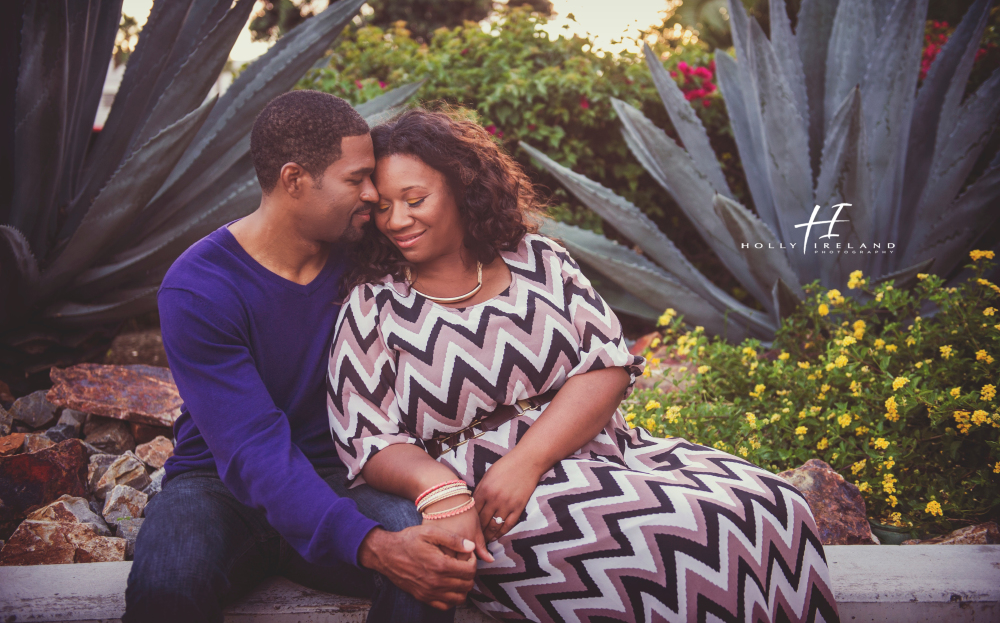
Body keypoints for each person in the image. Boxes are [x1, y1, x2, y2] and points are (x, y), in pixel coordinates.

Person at [326, 108, 841, 623]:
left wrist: (525, 462)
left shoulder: (538, 260)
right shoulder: (372, 304)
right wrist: (443, 490)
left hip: (605, 453)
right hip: (490, 500)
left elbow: (607, 367)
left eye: (415, 200)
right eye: (383, 206)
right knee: (681, 536)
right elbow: (368, 440)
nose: (396, 220)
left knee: (776, 503)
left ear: (463, 189)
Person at [125, 92, 478, 623]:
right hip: (220, 485)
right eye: (355, 178)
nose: (373, 194)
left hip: (344, 475)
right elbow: (250, 450)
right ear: (294, 180)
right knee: (167, 585)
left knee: (428, 564)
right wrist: (373, 547)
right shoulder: (200, 286)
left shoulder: (367, 254)